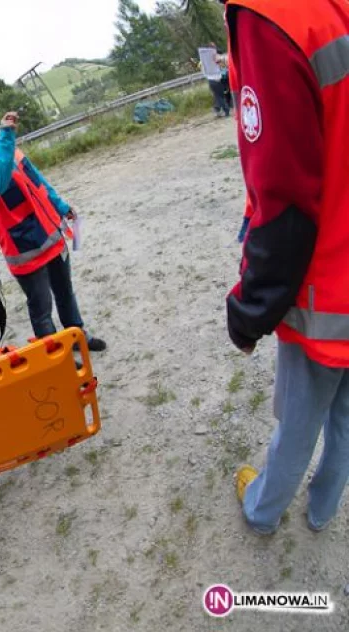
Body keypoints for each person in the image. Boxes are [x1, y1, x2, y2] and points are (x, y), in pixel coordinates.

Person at [221, 0, 349, 535]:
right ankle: (323, 508)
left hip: (327, 286)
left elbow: (285, 200)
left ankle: (263, 509)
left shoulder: (270, 16)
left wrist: (250, 314)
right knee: (345, 415)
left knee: (299, 419)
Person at [0, 101, 106, 352]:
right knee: (41, 307)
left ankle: (78, 336)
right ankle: (57, 355)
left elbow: (35, 178)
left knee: (66, 294)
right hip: (23, 247)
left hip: (50, 232)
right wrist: (4, 139)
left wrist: (60, 205)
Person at [199, 42, 232, 117]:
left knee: (217, 95)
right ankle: (225, 110)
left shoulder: (204, 58)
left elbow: (203, 69)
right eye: (214, 47)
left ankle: (218, 109)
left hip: (211, 79)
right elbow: (223, 64)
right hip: (216, 78)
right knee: (220, 96)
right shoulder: (216, 57)